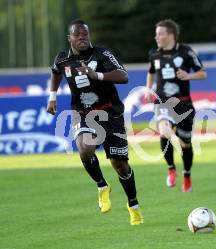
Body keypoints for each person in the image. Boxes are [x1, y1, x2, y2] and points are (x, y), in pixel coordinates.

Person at [46, 19, 143, 225]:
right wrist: (52, 96)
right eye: (77, 34)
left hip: (111, 113)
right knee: (85, 148)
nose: (82, 38)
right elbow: (55, 72)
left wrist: (96, 74)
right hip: (83, 112)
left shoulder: (101, 54)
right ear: (69, 38)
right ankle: (101, 185)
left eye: (85, 34)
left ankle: (133, 205)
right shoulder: (62, 59)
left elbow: (124, 76)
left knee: (121, 166)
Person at [145, 19, 206, 192]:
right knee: (164, 131)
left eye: (160, 34)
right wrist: (149, 90)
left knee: (185, 143)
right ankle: (171, 169)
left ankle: (186, 174)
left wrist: (189, 75)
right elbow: (150, 72)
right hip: (162, 101)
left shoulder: (186, 51)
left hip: (184, 104)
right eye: (156, 34)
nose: (156, 37)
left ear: (170, 35)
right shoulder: (154, 54)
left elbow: (202, 73)